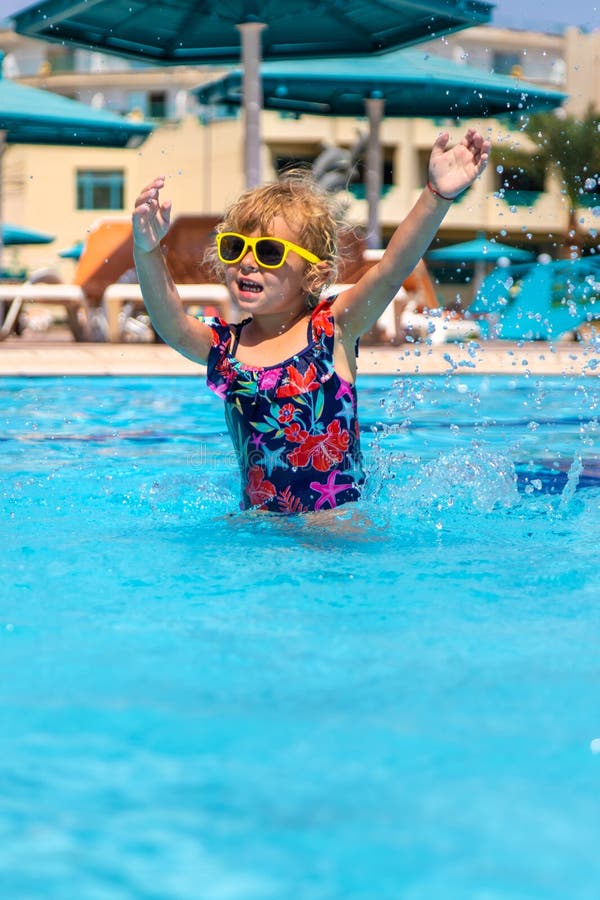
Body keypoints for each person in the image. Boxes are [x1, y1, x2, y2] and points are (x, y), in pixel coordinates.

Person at [132, 129, 490, 515]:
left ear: (313, 274)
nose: (247, 262)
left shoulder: (333, 328)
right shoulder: (224, 348)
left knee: (332, 526)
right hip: (259, 529)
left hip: (335, 525)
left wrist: (436, 197)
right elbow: (170, 323)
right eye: (236, 247)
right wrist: (147, 249)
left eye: (269, 252)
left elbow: (390, 270)